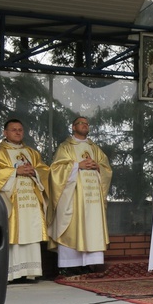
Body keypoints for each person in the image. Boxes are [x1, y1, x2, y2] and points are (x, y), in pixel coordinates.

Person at [0, 119, 50, 282]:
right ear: (5, 133)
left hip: (30, 201)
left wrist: (35, 172)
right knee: (13, 232)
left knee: (30, 233)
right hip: (11, 200)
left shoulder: (31, 152)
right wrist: (15, 172)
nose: (18, 132)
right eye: (13, 130)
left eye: (20, 130)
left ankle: (30, 272)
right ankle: (13, 273)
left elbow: (44, 170)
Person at [49, 117, 113, 275]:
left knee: (91, 226)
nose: (85, 125)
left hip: (92, 198)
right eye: (81, 123)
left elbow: (107, 169)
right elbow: (55, 169)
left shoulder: (95, 148)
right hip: (74, 196)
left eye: (87, 123)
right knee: (72, 225)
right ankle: (68, 265)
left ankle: (88, 264)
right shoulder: (65, 147)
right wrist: (78, 165)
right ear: (73, 127)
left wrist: (98, 166)